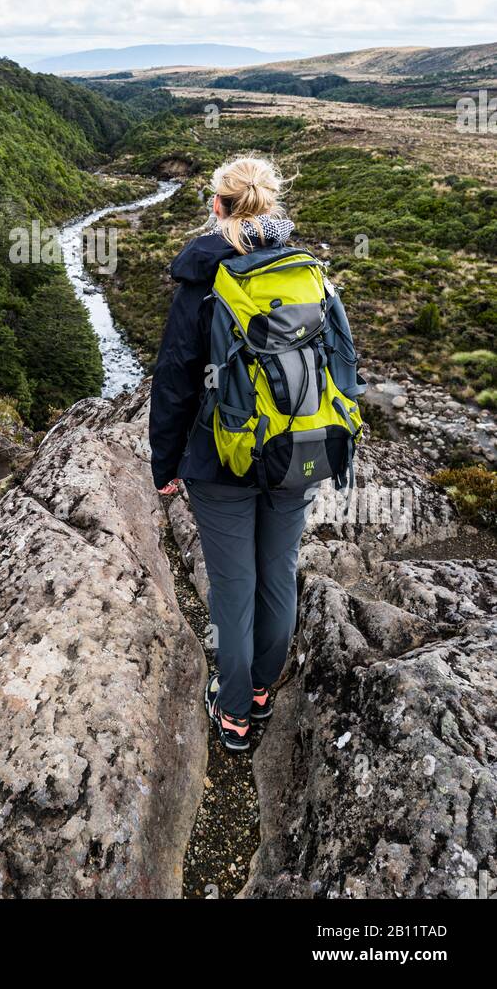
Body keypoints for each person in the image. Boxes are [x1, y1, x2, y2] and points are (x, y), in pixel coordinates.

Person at [149, 153, 315, 753]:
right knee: (278, 577)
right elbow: (343, 369)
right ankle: (263, 691)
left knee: (233, 588)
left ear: (218, 208)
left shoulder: (203, 283)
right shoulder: (307, 273)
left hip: (222, 461)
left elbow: (174, 383)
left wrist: (164, 467)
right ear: (271, 209)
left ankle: (236, 713)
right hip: (298, 451)